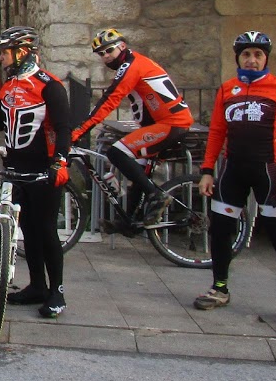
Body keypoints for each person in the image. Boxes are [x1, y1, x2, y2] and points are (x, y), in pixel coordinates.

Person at [0, 26, 72, 319]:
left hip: (43, 170)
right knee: (28, 231)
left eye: (4, 53)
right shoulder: (9, 86)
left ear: (22, 52)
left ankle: (57, 292)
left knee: (46, 231)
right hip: (16, 169)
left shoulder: (50, 86)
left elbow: (64, 129)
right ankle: (37, 286)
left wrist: (59, 162)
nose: (1, 58)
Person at [195, 31, 276, 326]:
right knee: (221, 229)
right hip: (233, 169)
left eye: (258, 55)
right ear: (238, 58)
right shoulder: (226, 90)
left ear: (266, 59)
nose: (252, 60)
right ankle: (220, 288)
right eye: (246, 54)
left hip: (269, 171)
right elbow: (217, 132)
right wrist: (207, 170)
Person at [71, 28, 194, 235]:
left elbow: (110, 100)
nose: (105, 56)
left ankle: (157, 195)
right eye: (101, 54)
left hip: (171, 123)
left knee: (116, 152)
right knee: (139, 173)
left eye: (109, 50)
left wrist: (79, 130)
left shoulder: (131, 66)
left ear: (122, 46)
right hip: (162, 124)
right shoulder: (134, 62)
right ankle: (129, 223)